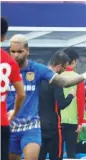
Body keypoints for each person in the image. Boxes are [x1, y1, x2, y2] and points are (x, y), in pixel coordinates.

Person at [6, 34, 86, 160]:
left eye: (20, 51)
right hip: (11, 125)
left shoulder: (38, 70)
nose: (16, 55)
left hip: (33, 126)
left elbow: (64, 82)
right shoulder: (5, 69)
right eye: (13, 51)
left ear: (28, 51)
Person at [38, 52, 75, 160]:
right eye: (64, 68)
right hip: (54, 127)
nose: (64, 71)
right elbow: (61, 104)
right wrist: (71, 96)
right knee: (56, 157)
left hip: (38, 126)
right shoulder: (56, 81)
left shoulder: (38, 78)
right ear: (59, 66)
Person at [0, 17, 26, 160]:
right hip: (2, 122)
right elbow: (21, 94)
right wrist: (14, 113)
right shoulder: (10, 62)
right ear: (3, 37)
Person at [60, 49, 86, 158]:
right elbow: (80, 101)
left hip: (58, 120)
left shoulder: (57, 76)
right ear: (74, 61)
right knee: (71, 152)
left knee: (58, 152)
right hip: (73, 121)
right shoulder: (78, 78)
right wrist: (80, 121)